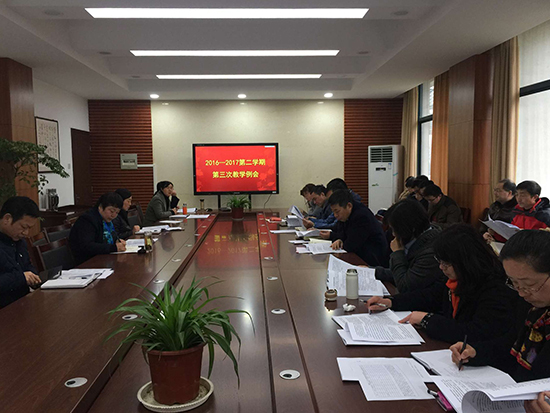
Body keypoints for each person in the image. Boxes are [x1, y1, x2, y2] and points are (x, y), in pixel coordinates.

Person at [366, 224, 517, 344]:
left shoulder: (494, 288)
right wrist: (391, 301)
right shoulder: (459, 277)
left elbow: (474, 332)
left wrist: (427, 320)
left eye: (446, 263)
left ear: (465, 261)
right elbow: (431, 296)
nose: (441, 267)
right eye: (440, 261)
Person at [450, 230, 550, 387]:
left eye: (529, 285)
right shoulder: (531, 307)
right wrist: (476, 352)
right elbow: (511, 342)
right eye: (514, 283)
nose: (522, 293)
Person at [374, 200, 445, 293]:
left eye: (395, 230)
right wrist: (373, 272)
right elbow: (404, 273)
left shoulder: (431, 252)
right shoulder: (416, 237)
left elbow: (404, 285)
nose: (393, 234)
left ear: (410, 228)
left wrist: (397, 253)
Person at [320, 189, 389, 267]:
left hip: (373, 259)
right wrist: (340, 239)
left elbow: (351, 245)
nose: (335, 215)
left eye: (337, 211)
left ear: (349, 206)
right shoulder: (346, 214)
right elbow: (341, 232)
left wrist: (341, 240)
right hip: (361, 254)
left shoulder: (361, 216)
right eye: (333, 212)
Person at [0, 196, 41, 308]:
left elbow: (27, 265)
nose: (26, 233)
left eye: (29, 228)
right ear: (7, 219)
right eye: (23, 227)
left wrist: (33, 276)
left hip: (22, 302)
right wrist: (21, 277)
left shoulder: (19, 241)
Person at [69, 192, 126, 265]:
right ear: (100, 207)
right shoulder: (88, 220)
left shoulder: (106, 221)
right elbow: (87, 246)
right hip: (86, 262)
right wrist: (113, 248)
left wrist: (117, 241)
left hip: (102, 259)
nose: (113, 215)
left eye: (117, 212)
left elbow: (112, 237)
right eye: (111, 211)